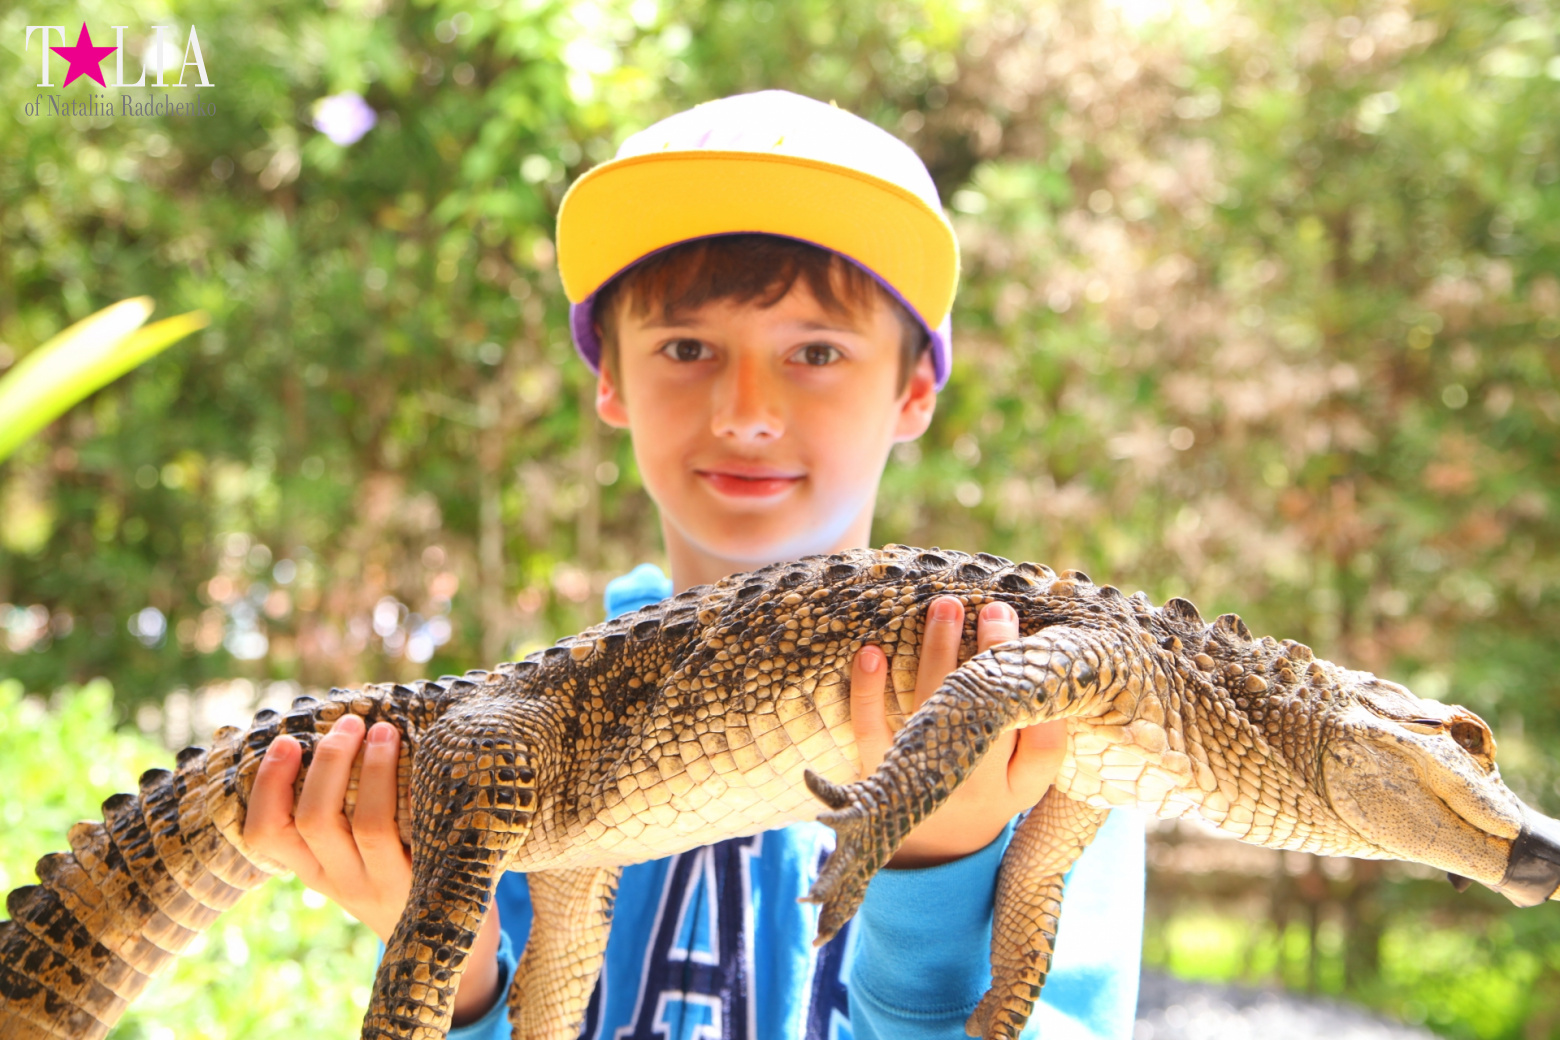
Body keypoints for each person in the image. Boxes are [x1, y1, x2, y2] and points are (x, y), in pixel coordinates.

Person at [244, 90, 1146, 1040]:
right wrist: (460, 976)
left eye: (815, 350)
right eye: (686, 346)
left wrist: (941, 864)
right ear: (611, 380)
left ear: (914, 390)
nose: (745, 411)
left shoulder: (1047, 726)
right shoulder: (521, 733)